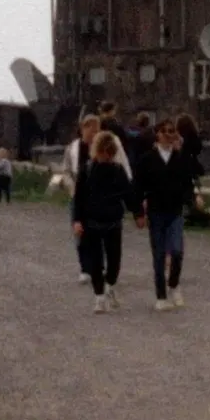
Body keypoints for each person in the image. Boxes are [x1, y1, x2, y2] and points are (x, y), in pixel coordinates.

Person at [71, 131, 144, 315]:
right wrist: (77, 220)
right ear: (97, 151)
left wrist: (138, 213)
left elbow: (129, 194)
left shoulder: (118, 170)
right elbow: (78, 198)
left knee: (114, 262)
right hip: (91, 222)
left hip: (113, 222)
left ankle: (110, 284)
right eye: (103, 152)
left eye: (110, 153)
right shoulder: (86, 170)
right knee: (95, 262)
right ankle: (99, 297)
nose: (106, 156)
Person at [134, 117, 198, 311]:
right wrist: (138, 212)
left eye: (172, 131)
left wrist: (192, 200)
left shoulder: (180, 159)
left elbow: (187, 183)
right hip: (155, 212)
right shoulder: (147, 160)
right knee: (159, 255)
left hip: (175, 211)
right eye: (166, 131)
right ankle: (161, 296)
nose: (170, 135)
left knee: (177, 251)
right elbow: (137, 187)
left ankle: (174, 284)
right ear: (158, 134)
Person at [64, 115, 132, 282]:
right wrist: (71, 187)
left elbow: (122, 166)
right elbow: (66, 171)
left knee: (99, 234)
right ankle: (85, 267)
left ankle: (100, 266)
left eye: (96, 130)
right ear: (83, 129)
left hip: (102, 197)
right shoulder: (73, 148)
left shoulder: (106, 146)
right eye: (90, 130)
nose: (93, 133)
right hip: (79, 194)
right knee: (81, 232)